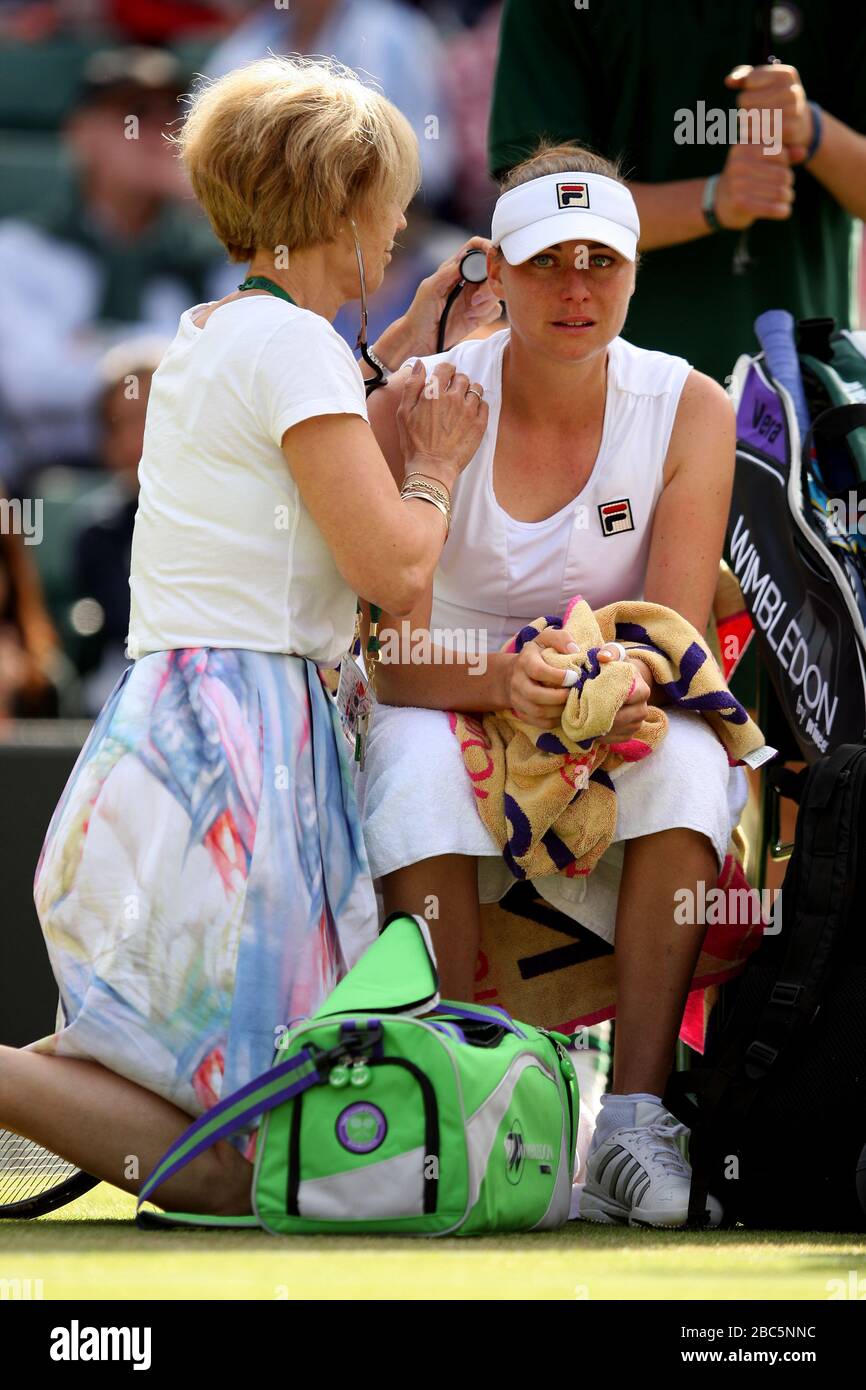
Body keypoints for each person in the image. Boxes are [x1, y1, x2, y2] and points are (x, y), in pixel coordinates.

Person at [0, 54, 498, 1219]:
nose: (395, 226)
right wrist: (436, 463)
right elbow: (391, 569)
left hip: (194, 730)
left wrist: (398, 346)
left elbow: (311, 484)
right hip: (241, 748)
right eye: (382, 202)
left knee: (235, 1137)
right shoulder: (292, 349)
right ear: (340, 205)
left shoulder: (230, 331)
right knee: (240, 1157)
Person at [355, 141, 747, 1227]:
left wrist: (609, 682)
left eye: (600, 260)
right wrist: (503, 686)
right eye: (545, 262)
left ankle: (631, 1118)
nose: (575, 289)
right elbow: (388, 660)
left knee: (684, 760)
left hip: (599, 682)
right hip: (444, 691)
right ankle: (447, 1102)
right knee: (413, 764)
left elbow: (669, 629)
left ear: (631, 269)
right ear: (495, 268)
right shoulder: (422, 402)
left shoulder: (689, 405)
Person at [488, 0, 866, 385]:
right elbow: (538, 206)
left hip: (809, 396)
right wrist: (716, 201)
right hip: (610, 401)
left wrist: (813, 129)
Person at [0, 46, 232, 487]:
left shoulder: (213, 255)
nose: (157, 133)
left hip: (186, 477)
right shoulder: (20, 250)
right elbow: (31, 385)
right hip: (49, 474)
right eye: (135, 113)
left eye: (173, 117)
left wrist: (92, 347)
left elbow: (232, 375)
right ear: (81, 133)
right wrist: (168, 354)